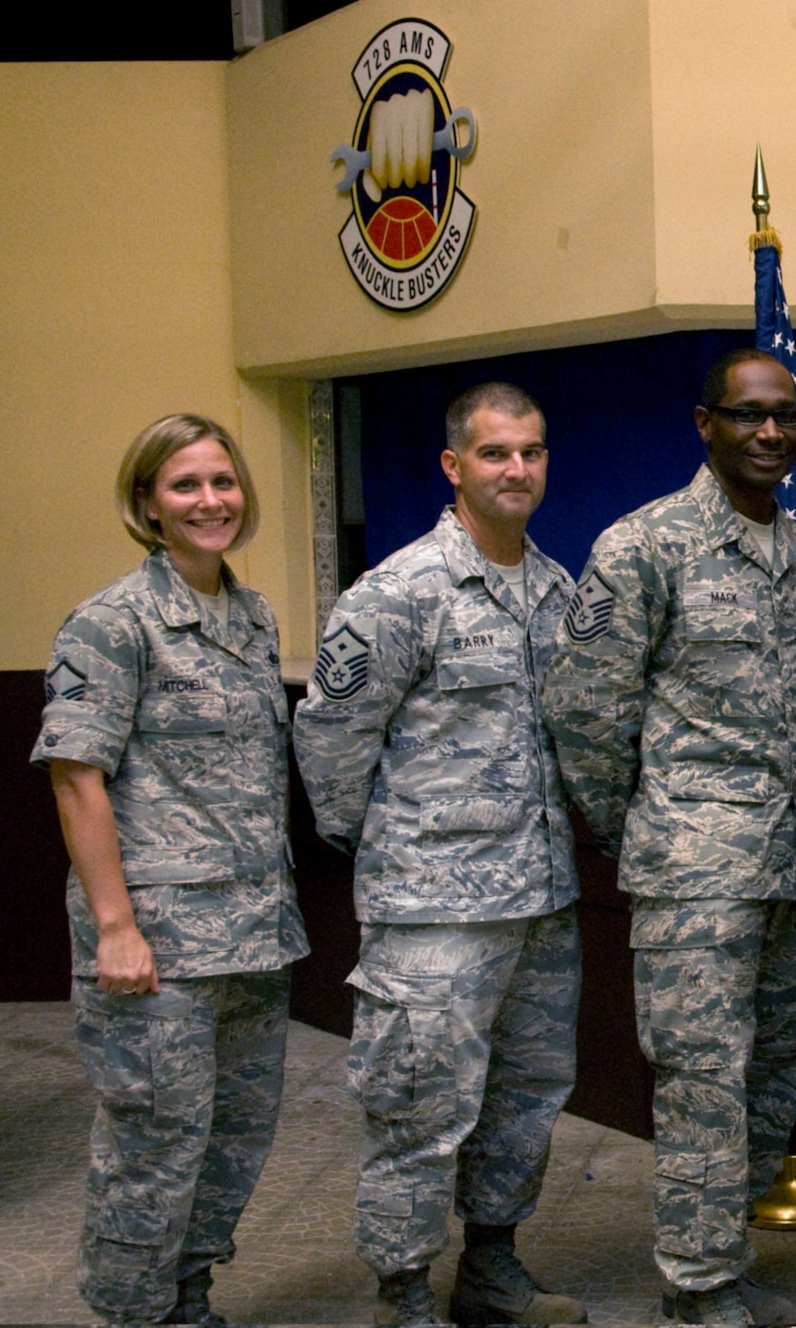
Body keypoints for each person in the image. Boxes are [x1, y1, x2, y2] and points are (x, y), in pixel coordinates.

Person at [542, 349, 796, 1327]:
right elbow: (584, 713)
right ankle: (698, 1285)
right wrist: (654, 831)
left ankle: (725, 1257)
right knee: (703, 1076)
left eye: (784, 416)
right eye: (748, 415)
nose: (769, 433)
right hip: (694, 873)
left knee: (776, 1064)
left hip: (788, 865)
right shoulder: (645, 546)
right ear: (703, 423)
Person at [295, 382, 585, 1327]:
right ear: (454, 466)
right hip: (435, 913)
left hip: (539, 904)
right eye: (496, 454)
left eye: (532, 452)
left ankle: (492, 1268)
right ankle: (405, 1292)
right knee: (418, 1113)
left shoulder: (556, 589)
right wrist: (387, 848)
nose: (517, 470)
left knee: (526, 1101)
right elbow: (332, 743)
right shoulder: (399, 592)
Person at [35, 414, 307, 1326]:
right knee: (152, 1150)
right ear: (146, 503)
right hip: (157, 952)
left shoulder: (253, 615)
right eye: (185, 485)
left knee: (233, 1145)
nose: (210, 502)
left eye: (223, 483)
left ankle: (185, 1304)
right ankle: (129, 1313)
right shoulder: (112, 624)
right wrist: (115, 928)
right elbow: (78, 780)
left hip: (253, 940)